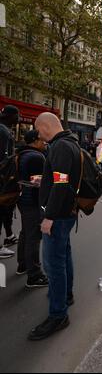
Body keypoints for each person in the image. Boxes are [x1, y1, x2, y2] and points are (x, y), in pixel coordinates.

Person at [28, 113, 81, 340]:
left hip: (58, 216)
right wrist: (45, 180)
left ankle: (58, 315)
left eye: (39, 130)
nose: (39, 135)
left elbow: (61, 184)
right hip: (67, 213)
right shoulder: (71, 143)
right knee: (63, 255)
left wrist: (49, 216)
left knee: (53, 264)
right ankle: (66, 295)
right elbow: (61, 179)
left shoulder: (59, 147)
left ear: (47, 126)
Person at [16, 129, 48, 288]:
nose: (44, 143)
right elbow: (38, 184)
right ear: (35, 140)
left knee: (25, 233)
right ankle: (34, 275)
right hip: (32, 202)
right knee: (33, 237)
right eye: (42, 140)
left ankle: (22, 264)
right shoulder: (36, 157)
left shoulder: (23, 153)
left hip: (23, 200)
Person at [0, 105, 19, 259]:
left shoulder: (4, 130)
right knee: (2, 210)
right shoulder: (3, 132)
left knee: (6, 211)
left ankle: (9, 235)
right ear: (10, 116)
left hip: (4, 180)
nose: (18, 118)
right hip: (3, 181)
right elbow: (3, 160)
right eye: (17, 115)